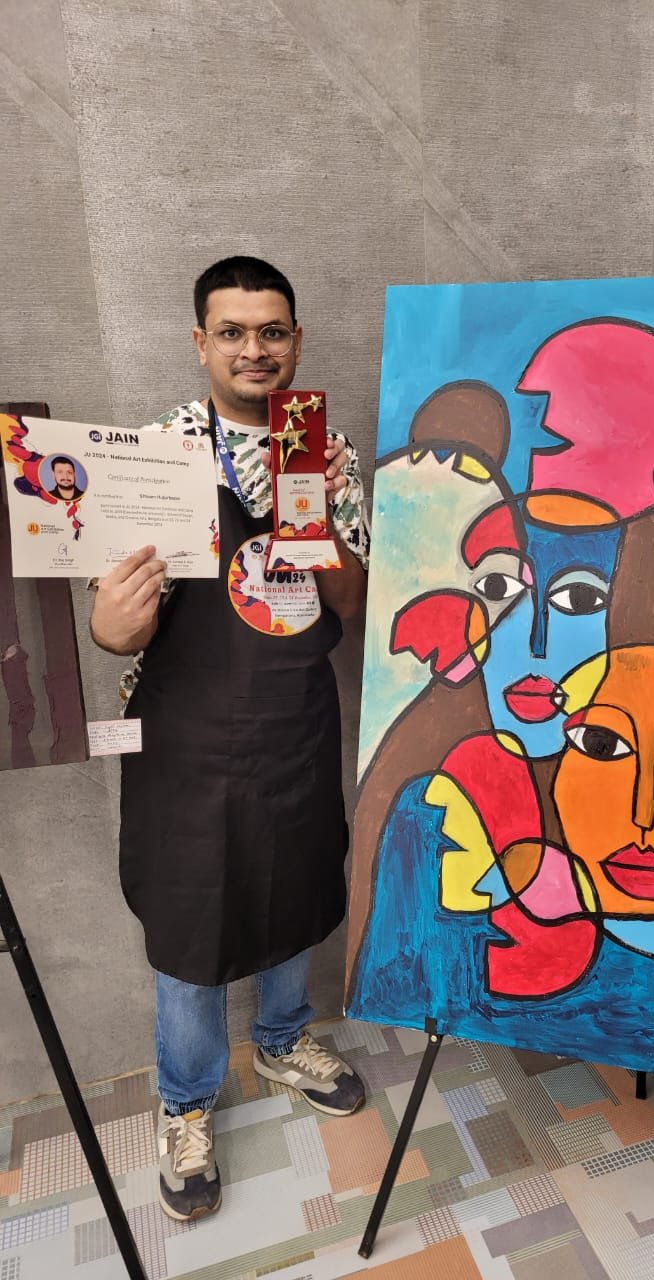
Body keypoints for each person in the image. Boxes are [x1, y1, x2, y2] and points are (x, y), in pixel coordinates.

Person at [90, 256, 370, 1223]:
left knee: (295, 879)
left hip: (294, 717)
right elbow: (114, 619)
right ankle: (186, 1101)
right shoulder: (153, 454)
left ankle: (284, 1039)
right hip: (187, 730)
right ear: (200, 342)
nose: (256, 349)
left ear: (297, 339)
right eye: (234, 332)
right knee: (190, 909)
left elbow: (352, 602)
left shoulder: (329, 450)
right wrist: (110, 627)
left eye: (273, 330)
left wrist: (318, 521)